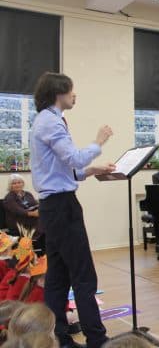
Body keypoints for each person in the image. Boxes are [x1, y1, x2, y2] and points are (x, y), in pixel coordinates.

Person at [30, 72, 113, 348]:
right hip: (62, 207)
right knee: (83, 275)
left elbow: (65, 169)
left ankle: (60, 338)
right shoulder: (51, 122)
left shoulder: (45, 120)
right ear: (59, 93)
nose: (74, 95)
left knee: (58, 276)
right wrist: (99, 141)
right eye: (71, 91)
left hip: (52, 206)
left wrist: (92, 170)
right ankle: (97, 339)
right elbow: (74, 158)